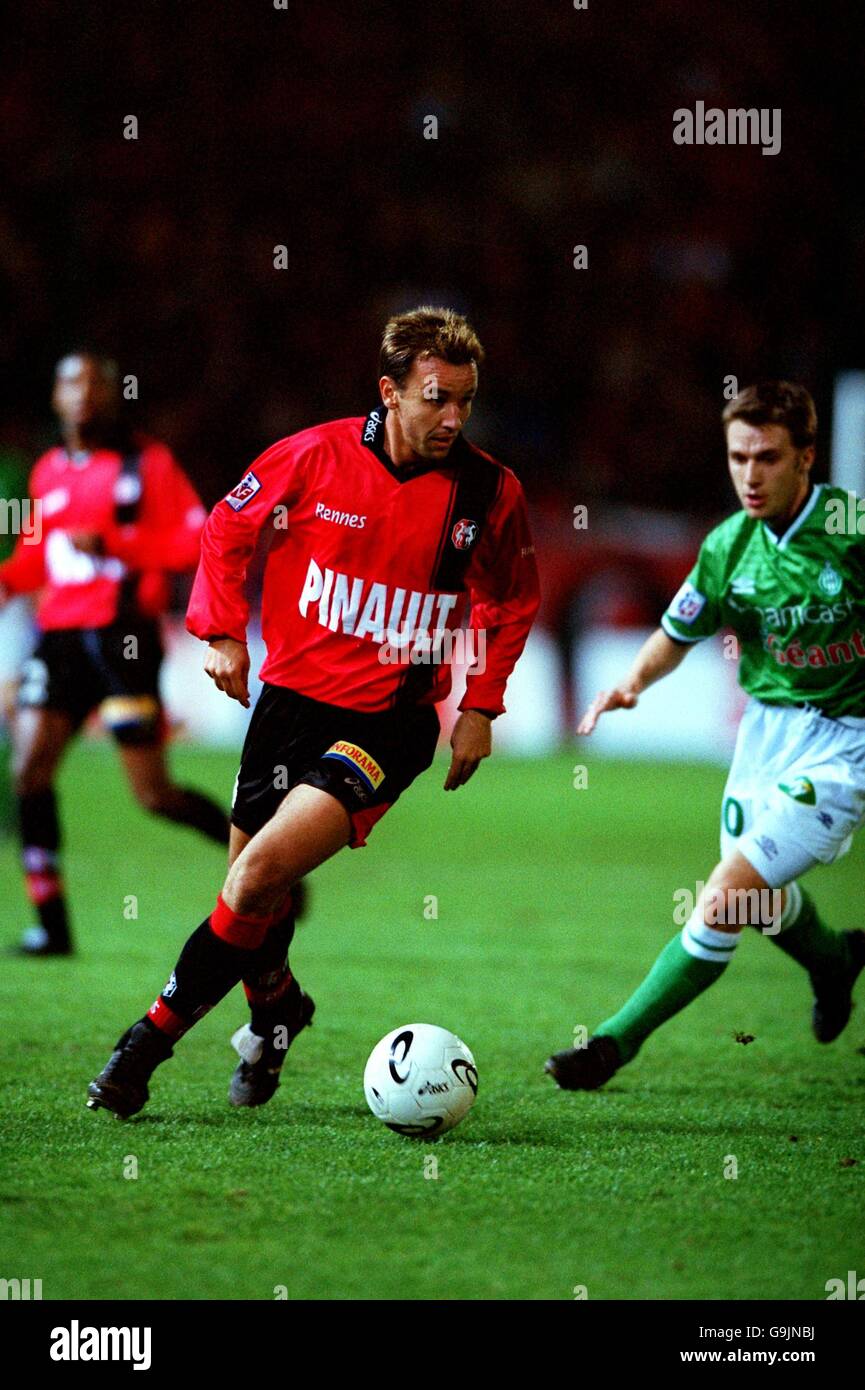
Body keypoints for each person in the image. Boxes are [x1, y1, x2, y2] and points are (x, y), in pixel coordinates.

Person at [87, 306, 541, 1117]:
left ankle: (142, 1047)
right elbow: (228, 526)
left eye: (464, 401)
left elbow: (510, 599)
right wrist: (224, 631)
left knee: (259, 876)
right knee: (249, 897)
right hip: (287, 707)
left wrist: (481, 706)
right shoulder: (314, 456)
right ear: (389, 392)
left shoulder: (487, 492)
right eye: (435, 398)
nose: (452, 418)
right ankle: (277, 1014)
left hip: (387, 723)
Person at [547, 381, 865, 1090]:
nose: (749, 476)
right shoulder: (728, 546)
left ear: (806, 457)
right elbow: (676, 632)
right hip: (764, 739)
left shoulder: (851, 526)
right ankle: (835, 962)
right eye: (737, 457)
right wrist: (631, 682)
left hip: (846, 744)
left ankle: (610, 1045)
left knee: (724, 895)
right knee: (756, 901)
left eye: (768, 458)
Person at [0, 352, 230, 957]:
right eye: (72, 382)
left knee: (154, 795)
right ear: (56, 397)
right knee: (28, 769)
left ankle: (261, 864)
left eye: (97, 384)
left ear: (112, 396)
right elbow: (36, 559)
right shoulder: (47, 471)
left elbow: (194, 539)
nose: (85, 394)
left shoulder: (146, 463)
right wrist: (6, 581)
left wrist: (118, 540)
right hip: (60, 639)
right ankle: (51, 925)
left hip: (122, 642)